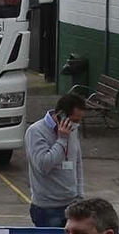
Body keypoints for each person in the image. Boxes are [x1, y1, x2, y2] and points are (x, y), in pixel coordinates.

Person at [25, 93, 86, 227]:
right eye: (74, 120)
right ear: (61, 115)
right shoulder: (36, 132)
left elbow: (77, 163)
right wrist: (62, 139)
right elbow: (44, 165)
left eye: (79, 120)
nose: (76, 125)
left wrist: (80, 196)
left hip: (72, 204)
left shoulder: (71, 129)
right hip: (48, 208)